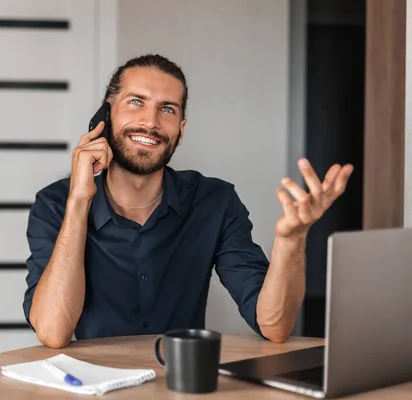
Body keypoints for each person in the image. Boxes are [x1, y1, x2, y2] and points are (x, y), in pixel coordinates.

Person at [22, 54, 353, 349]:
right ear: (103, 118)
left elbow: (275, 327)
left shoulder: (214, 202)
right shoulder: (55, 204)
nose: (151, 122)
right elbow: (52, 332)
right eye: (136, 102)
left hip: (182, 385)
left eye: (167, 109)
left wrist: (291, 241)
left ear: (180, 131)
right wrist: (80, 201)